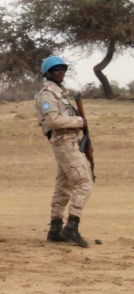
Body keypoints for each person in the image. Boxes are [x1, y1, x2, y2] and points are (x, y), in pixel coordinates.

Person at [35, 56, 92, 247]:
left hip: (70, 141)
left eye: (63, 69)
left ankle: (55, 228)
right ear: (48, 73)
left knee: (64, 186)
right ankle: (72, 226)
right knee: (84, 182)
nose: (61, 72)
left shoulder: (59, 94)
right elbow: (53, 121)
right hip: (64, 142)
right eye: (57, 69)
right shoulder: (47, 95)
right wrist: (80, 121)